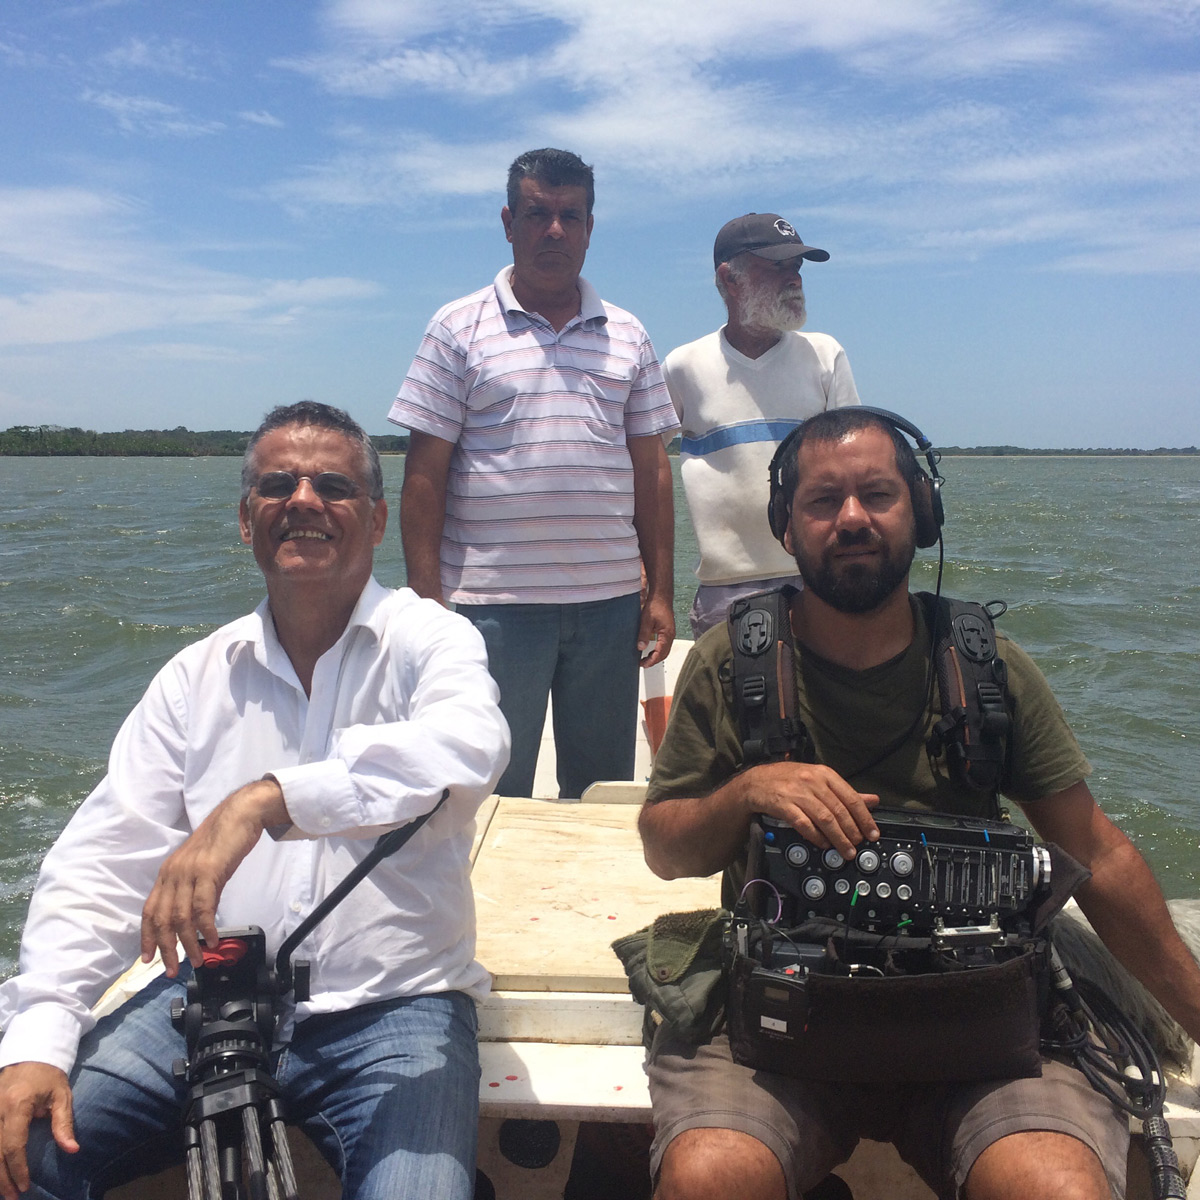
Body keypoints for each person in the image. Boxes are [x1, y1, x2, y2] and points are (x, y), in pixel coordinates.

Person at [637, 407, 1200, 1200]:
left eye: (878, 494)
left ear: (922, 513)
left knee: (1055, 1189)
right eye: (823, 501)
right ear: (785, 526)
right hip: (779, 1018)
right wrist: (749, 792)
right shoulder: (733, 661)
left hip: (976, 1024)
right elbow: (665, 848)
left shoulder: (987, 668)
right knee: (710, 1179)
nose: (852, 518)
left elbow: (1097, 854)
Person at [0, 401, 510, 1200]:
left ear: (377, 520)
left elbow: (469, 745)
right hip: (208, 996)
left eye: (333, 486)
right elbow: (103, 860)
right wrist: (40, 1034)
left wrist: (265, 802)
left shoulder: (431, 639)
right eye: (278, 485)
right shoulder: (194, 677)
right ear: (247, 520)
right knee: (22, 1159)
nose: (303, 499)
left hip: (396, 1007)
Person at [390, 147, 679, 801]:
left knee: (601, 791)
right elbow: (424, 475)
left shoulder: (629, 334)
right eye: (537, 214)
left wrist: (660, 592)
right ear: (508, 222)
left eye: (570, 216)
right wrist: (426, 600)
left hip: (608, 607)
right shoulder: (455, 329)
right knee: (485, 789)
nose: (554, 230)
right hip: (490, 610)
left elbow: (653, 471)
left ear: (589, 228)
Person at [664, 212, 860, 638]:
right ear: (729, 279)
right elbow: (645, 469)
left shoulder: (825, 356)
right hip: (724, 592)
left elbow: (858, 468)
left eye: (797, 267)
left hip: (819, 580)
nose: (795, 279)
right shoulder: (683, 367)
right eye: (777, 266)